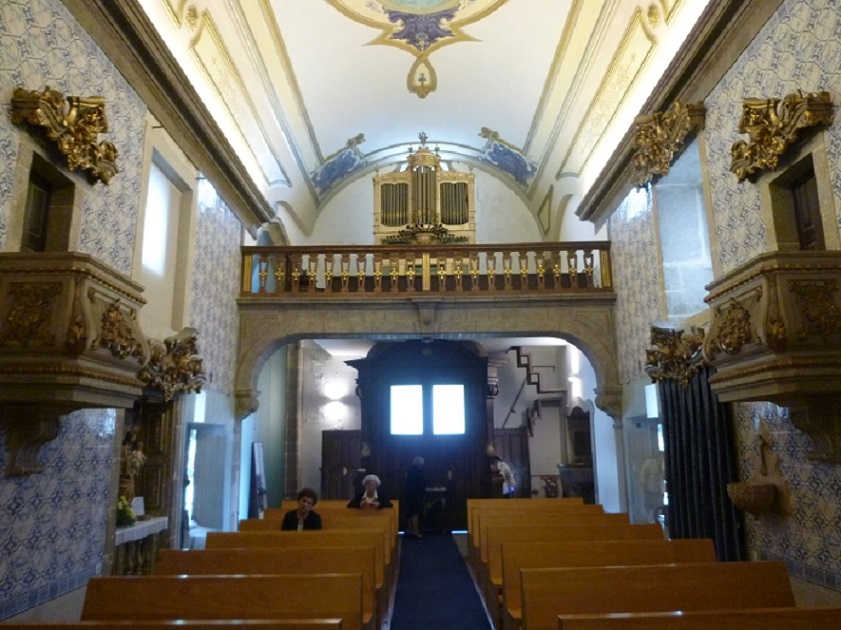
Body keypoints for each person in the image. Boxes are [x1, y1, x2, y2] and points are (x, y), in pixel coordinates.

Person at [403, 456, 426, 538]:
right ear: (419, 463)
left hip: (408, 494)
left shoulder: (409, 471)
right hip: (416, 494)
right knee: (415, 513)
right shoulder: (419, 472)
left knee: (409, 513)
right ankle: (416, 532)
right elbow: (422, 483)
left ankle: (410, 530)